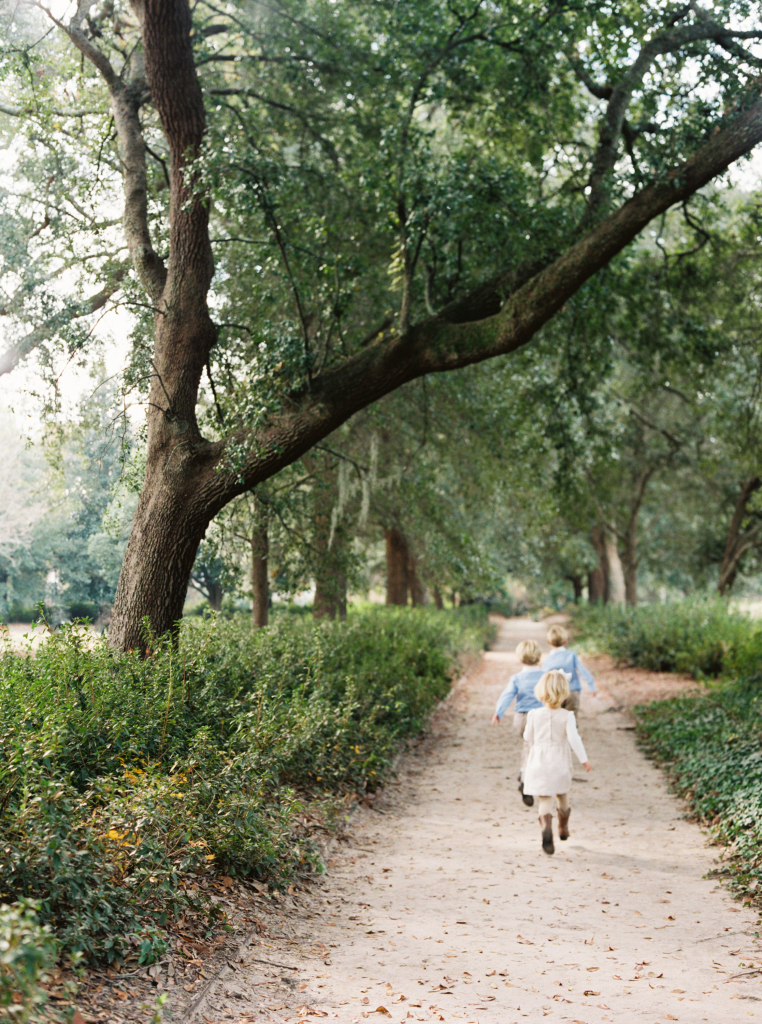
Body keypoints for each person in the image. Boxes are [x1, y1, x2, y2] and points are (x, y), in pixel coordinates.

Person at [522, 669, 591, 855]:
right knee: (562, 795)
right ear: (564, 693)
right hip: (559, 762)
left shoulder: (534, 714)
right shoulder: (567, 716)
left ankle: (546, 828)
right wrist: (584, 760)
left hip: (539, 762)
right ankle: (563, 827)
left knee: (544, 799)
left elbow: (527, 737)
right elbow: (574, 739)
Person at [491, 640, 545, 807]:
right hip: (541, 718)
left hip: (521, 718)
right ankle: (528, 778)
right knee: (539, 749)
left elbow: (507, 695)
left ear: (520, 658)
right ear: (539, 656)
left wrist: (498, 712)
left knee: (528, 746)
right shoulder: (546, 676)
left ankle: (524, 775)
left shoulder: (516, 678)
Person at [542, 624, 596, 714]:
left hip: (555, 694)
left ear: (548, 642)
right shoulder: (572, 655)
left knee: (555, 719)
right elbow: (582, 670)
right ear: (565, 641)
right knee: (571, 719)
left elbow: (544, 679)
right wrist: (591, 686)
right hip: (572, 692)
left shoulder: (547, 660)